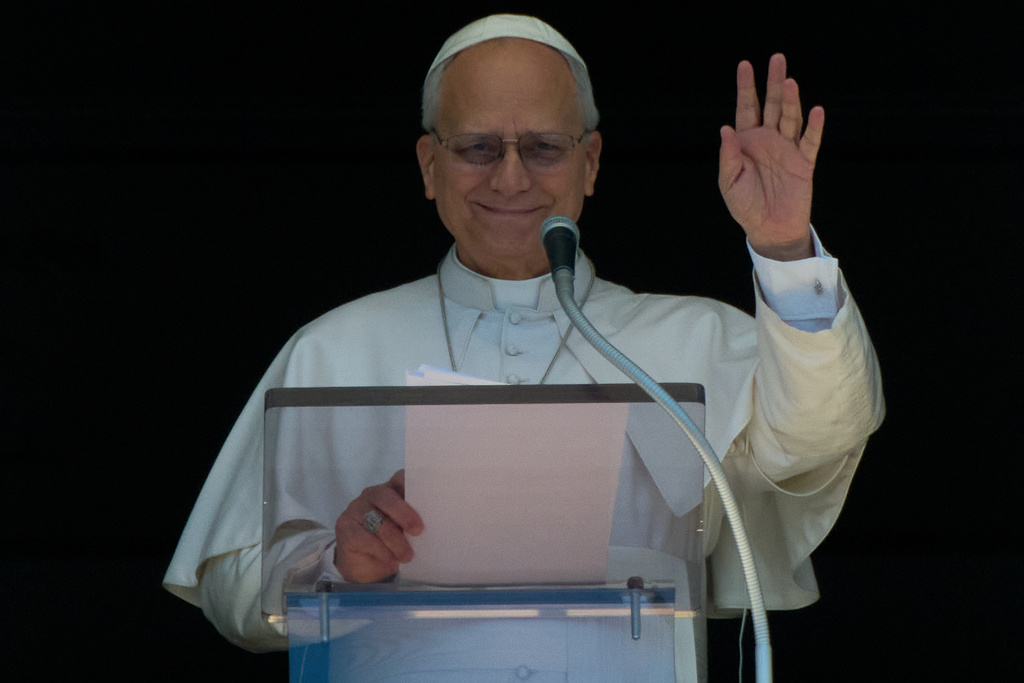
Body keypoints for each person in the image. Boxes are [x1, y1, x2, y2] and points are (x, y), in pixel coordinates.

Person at [164, 14, 884, 655]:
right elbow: (229, 587)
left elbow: (819, 434)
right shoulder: (331, 349)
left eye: (543, 147)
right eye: (478, 147)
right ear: (429, 166)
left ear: (590, 162)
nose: (510, 178)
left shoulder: (694, 338)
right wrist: (334, 565)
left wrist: (784, 247)